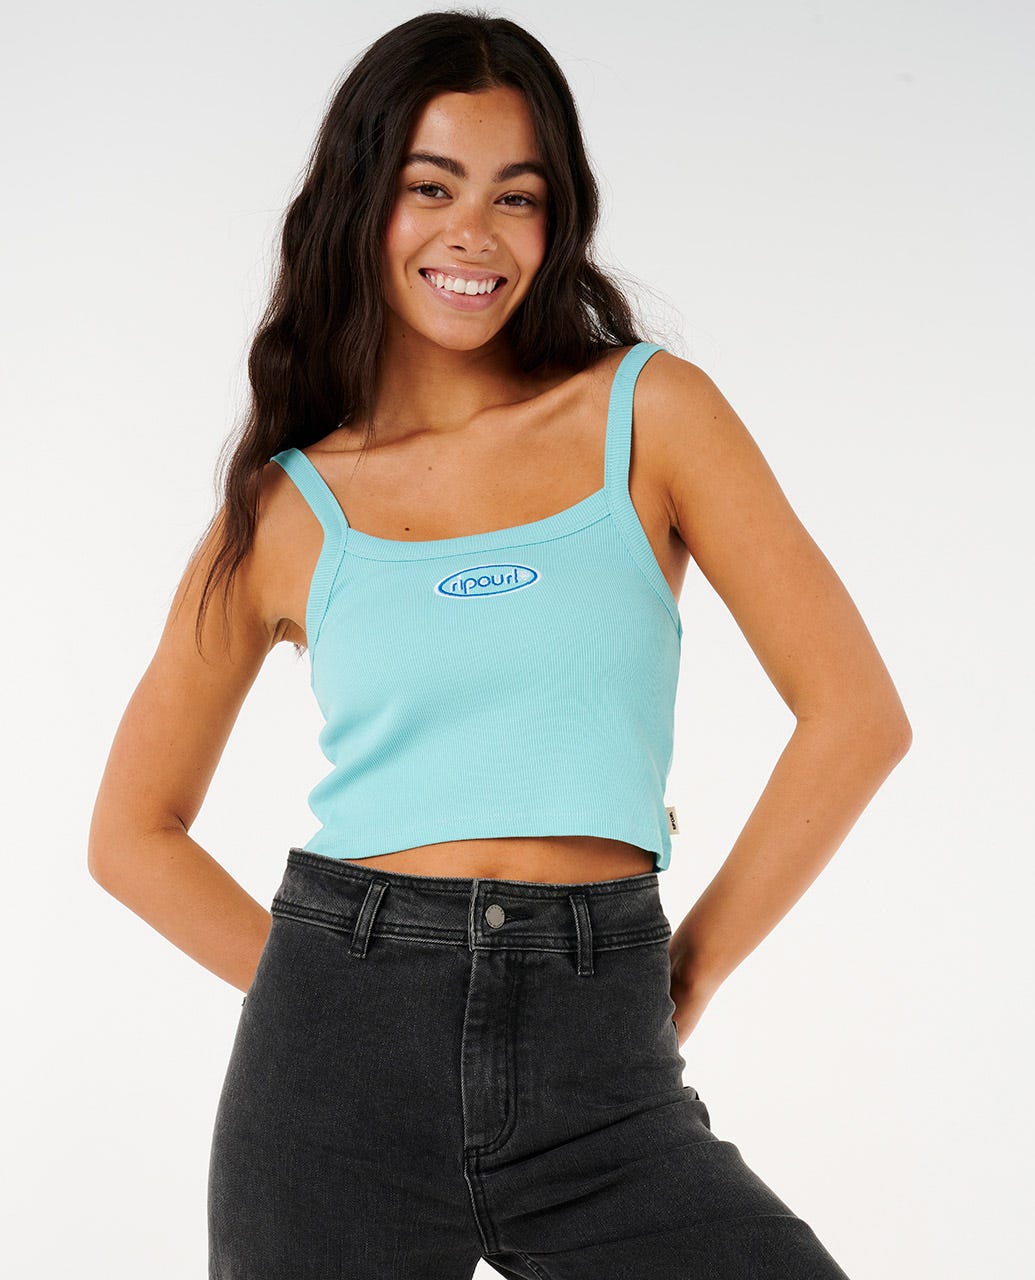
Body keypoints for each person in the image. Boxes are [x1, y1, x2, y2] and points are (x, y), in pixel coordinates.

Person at [88, 9, 910, 1278]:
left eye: (515, 196)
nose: (473, 232)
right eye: (432, 187)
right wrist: (332, 1000)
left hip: (604, 1067)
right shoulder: (286, 506)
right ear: (363, 203)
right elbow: (130, 831)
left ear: (555, 219)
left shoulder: (651, 413)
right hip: (328, 1097)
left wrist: (689, 969)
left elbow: (857, 716)